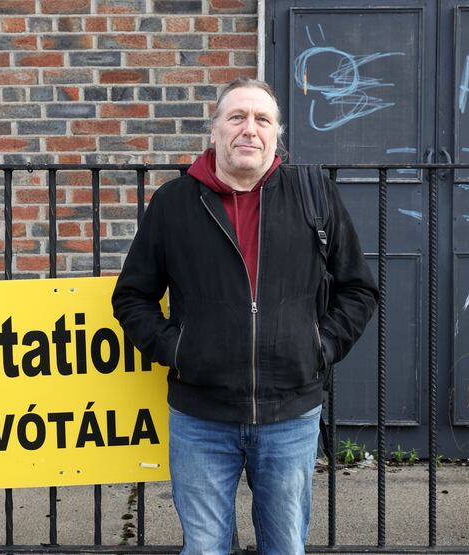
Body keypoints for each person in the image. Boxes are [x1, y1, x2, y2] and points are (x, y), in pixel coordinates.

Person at [111, 78, 378, 554]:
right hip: (200, 416)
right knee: (205, 548)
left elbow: (357, 288)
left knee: (285, 547)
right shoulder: (174, 203)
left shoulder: (313, 196)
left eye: (262, 119)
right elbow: (132, 296)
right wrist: (178, 350)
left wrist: (321, 346)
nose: (249, 129)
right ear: (214, 130)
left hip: (290, 414)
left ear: (277, 133)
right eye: (236, 117)